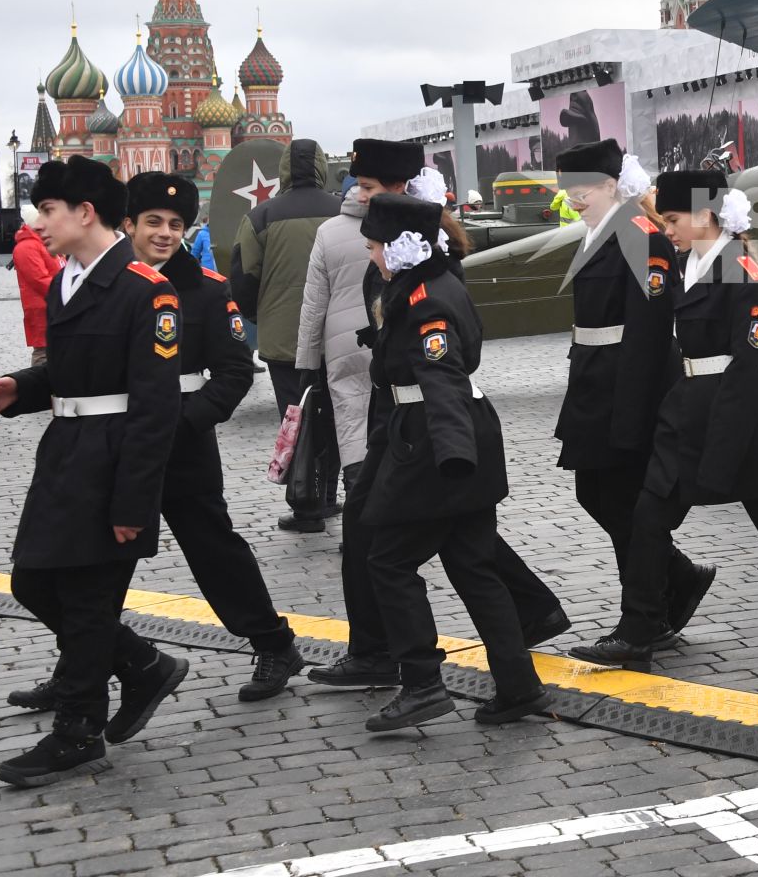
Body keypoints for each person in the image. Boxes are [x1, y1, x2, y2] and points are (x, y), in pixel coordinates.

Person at [570, 170, 758, 672]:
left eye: (674, 219)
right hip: (687, 412)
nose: (667, 228)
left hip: (738, 422)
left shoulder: (744, 274)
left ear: (705, 216)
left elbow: (751, 371)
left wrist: (722, 451)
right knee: (648, 517)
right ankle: (636, 632)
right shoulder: (687, 265)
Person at [308, 174, 568, 693]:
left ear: (400, 246)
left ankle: (422, 684)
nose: (373, 257)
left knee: (388, 561)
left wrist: (453, 457)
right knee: (475, 569)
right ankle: (519, 687)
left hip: (435, 445)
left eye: (375, 247)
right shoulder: (433, 281)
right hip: (451, 439)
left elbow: (442, 380)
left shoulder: (424, 300)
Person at [0, 156, 188, 786]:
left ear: (84, 212)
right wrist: (23, 385)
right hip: (67, 451)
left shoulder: (145, 289)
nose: (38, 223)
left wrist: (133, 504)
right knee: (34, 583)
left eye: (47, 210)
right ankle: (143, 666)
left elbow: (155, 408)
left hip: (111, 460)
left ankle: (77, 730)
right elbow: (74, 372)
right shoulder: (69, 277)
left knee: (90, 601)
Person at [116, 172, 303, 697]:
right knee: (104, 557)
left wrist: (189, 421)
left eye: (176, 225)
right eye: (153, 222)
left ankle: (273, 643)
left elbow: (234, 371)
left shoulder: (206, 289)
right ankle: (77, 668)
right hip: (118, 439)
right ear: (129, 223)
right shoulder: (108, 285)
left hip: (182, 443)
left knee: (213, 550)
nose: (165, 234)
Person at [550, 139, 714, 645]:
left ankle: (645, 615)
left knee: (624, 501)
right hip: (596, 385)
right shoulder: (602, 232)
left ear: (610, 185)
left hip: (628, 389)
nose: (573, 201)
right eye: (568, 192)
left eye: (583, 191)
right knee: (597, 493)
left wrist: (632, 413)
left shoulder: (639, 235)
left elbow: (647, 332)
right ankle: (674, 581)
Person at [297, 139, 420, 501]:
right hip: (394, 348)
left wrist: (306, 364)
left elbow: (314, 304)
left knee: (353, 431)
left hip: (344, 348)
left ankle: (360, 508)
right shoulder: (425, 227)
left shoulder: (329, 231)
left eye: (367, 186)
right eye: (360, 186)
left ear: (396, 185)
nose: (359, 193)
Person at [231, 138, 344, 531]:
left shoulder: (261, 217)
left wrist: (259, 317)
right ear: (321, 166)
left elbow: (243, 277)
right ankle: (329, 495)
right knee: (339, 417)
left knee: (296, 420)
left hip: (284, 342)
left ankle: (305, 505)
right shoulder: (341, 211)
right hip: (338, 337)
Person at [12, 206, 59, 366]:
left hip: (51, 305)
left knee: (52, 349)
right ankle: (40, 389)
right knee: (43, 352)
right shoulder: (27, 247)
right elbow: (39, 279)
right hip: (42, 308)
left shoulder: (43, 242)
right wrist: (66, 290)